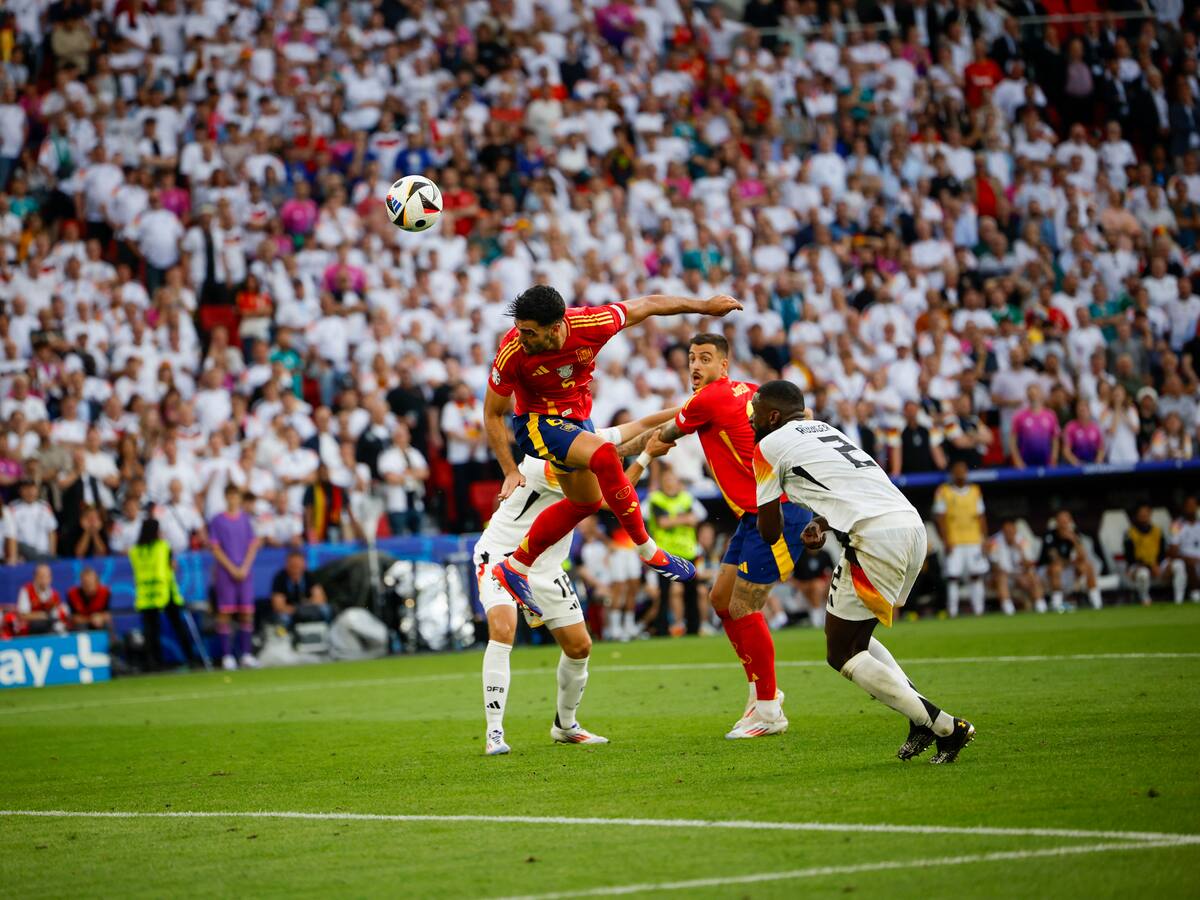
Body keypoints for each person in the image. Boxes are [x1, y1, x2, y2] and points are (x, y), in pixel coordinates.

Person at [752, 380, 975, 764]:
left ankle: (943, 725)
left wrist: (764, 503)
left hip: (875, 536)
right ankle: (919, 719)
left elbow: (769, 530)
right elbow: (854, 486)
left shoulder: (768, 446)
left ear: (772, 416)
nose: (750, 417)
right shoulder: (825, 429)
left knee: (841, 652)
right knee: (855, 635)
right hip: (909, 527)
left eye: (754, 410)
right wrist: (821, 524)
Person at [486, 289, 742, 615]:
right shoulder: (512, 350)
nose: (521, 337)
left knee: (587, 502)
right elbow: (492, 414)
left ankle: (515, 567)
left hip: (578, 423)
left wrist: (703, 305)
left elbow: (648, 304)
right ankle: (649, 551)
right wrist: (510, 469)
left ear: (555, 327)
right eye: (520, 329)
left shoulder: (592, 323)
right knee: (605, 454)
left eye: (529, 332)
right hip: (536, 423)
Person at [627, 333, 811, 738]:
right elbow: (806, 413)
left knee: (745, 605)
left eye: (705, 359)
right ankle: (761, 695)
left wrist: (629, 459)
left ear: (723, 365)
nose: (695, 365)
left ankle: (768, 711)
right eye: (691, 358)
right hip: (754, 513)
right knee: (721, 599)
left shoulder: (707, 399)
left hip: (778, 510)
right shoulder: (751, 392)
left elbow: (661, 436)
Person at [477, 408, 675, 755]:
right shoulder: (543, 460)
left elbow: (642, 424)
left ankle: (565, 726)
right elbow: (607, 500)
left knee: (580, 647)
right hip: (502, 556)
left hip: (547, 566)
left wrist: (693, 408)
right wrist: (642, 455)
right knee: (503, 629)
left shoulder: (579, 442)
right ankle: (495, 732)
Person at [129, 519, 199, 670]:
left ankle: (154, 663)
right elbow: (172, 566)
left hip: (146, 595)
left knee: (151, 631)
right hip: (165, 592)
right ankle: (191, 658)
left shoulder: (135, 551)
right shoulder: (162, 547)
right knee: (178, 627)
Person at [209, 484, 262, 670]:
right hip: (226, 572)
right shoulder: (217, 521)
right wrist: (232, 568)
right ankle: (227, 656)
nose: (233, 499)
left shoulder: (246, 520)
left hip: (244, 571)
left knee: (247, 612)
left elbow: (253, 545)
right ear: (225, 497)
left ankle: (246, 654)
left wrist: (245, 567)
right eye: (230, 496)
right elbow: (215, 548)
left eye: (236, 496)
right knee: (225, 612)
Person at [645, 467, 704, 636]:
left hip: (688, 551)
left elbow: (694, 520)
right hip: (665, 554)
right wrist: (683, 519)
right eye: (667, 480)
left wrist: (675, 520)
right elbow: (663, 522)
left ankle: (694, 628)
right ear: (662, 482)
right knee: (663, 593)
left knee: (691, 592)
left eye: (673, 480)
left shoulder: (687, 498)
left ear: (678, 483)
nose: (670, 484)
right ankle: (661, 629)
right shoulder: (656, 499)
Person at [932, 460, 991, 616]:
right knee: (953, 576)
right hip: (954, 541)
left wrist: (984, 538)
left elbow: (981, 516)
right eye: (957, 470)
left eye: (963, 470)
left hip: (974, 540)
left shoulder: (975, 490)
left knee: (976, 574)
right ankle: (953, 611)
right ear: (952, 473)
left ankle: (979, 610)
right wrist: (945, 540)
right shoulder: (943, 491)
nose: (960, 473)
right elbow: (940, 518)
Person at [1039, 511, 1103, 611]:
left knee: (1087, 566)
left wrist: (1073, 540)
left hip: (1067, 569)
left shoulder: (1074, 534)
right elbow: (1054, 559)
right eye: (1061, 520)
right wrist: (1071, 562)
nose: (1064, 523)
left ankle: (1097, 603)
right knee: (1056, 567)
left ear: (1070, 522)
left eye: (1066, 520)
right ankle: (1057, 604)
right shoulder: (1050, 535)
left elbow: (1082, 556)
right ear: (1057, 522)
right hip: (1047, 572)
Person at [1124, 503, 1186, 605]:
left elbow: (1162, 551)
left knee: (1179, 565)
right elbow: (1130, 557)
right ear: (1136, 515)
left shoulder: (1157, 530)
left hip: (1158, 563)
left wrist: (1157, 564)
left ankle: (1179, 600)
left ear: (1150, 514)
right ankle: (1145, 599)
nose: (1144, 515)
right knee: (1143, 573)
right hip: (1139, 565)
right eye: (1141, 513)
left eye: (1146, 513)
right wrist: (1149, 565)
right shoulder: (1130, 533)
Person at [987, 519, 1048, 614]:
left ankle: (1041, 606)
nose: (1010, 534)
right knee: (1001, 577)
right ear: (1003, 532)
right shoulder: (994, 542)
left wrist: (1020, 551)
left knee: (1033, 577)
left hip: (1020, 575)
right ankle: (1008, 609)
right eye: (1007, 532)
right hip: (1003, 576)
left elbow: (1029, 564)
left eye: (1012, 532)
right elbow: (994, 566)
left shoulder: (1022, 541)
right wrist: (1008, 574)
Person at [269, 550, 330, 627]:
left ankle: (327, 632)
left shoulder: (309, 576)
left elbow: (320, 598)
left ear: (304, 565)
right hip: (290, 611)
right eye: (293, 566)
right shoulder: (280, 578)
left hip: (308, 608)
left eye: (298, 565)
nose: (296, 569)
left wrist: (306, 606)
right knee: (283, 618)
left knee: (325, 609)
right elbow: (278, 606)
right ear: (287, 565)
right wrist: (296, 610)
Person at [13, 563, 69, 635]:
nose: (44, 579)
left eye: (46, 576)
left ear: (50, 578)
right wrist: (41, 615)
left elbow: (56, 614)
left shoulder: (54, 594)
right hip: (31, 628)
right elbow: (22, 615)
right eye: (41, 576)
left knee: (60, 626)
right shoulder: (26, 590)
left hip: (49, 626)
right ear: (35, 577)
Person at [1167, 495, 1200, 604]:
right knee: (1184, 564)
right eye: (1188, 505)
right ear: (1184, 508)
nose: (1191, 508)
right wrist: (1187, 558)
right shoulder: (1177, 525)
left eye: (1193, 505)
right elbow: (1172, 550)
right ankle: (1192, 594)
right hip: (1185, 559)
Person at [67, 566, 113, 633]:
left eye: (91, 582)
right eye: (85, 583)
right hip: (82, 623)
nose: (88, 585)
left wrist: (101, 617)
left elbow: (108, 614)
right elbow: (74, 618)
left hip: (99, 621)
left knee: (107, 624)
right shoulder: (72, 594)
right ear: (81, 583)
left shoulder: (105, 592)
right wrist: (90, 620)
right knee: (80, 627)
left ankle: (112, 643)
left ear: (97, 582)